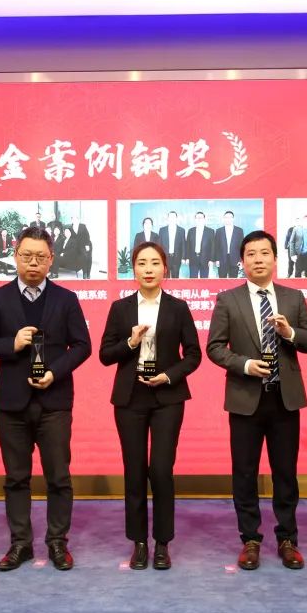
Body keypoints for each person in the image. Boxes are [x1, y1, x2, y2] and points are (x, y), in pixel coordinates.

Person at [0, 225, 91, 571]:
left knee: (59, 477)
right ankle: (20, 544)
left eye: (41, 256)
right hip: (12, 403)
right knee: (16, 477)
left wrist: (55, 371)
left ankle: (57, 543)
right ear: (15, 257)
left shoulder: (66, 299)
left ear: (51, 259)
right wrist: (11, 343)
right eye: (27, 255)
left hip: (54, 402)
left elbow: (82, 346)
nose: (33, 263)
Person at [206, 230, 307, 570]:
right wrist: (244, 364)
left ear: (275, 258)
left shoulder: (293, 298)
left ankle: (287, 539)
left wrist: (289, 333)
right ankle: (250, 539)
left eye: (264, 253)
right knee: (244, 473)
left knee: (286, 472)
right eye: (251, 254)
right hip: (245, 398)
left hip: (284, 399)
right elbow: (214, 347)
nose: (258, 259)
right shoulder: (228, 300)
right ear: (242, 261)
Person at [100, 242, 201, 570]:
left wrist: (169, 376)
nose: (148, 269)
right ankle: (139, 542)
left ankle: (162, 543)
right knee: (134, 471)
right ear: (133, 268)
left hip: (167, 398)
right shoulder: (120, 308)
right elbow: (105, 355)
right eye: (142, 262)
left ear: (164, 268)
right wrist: (130, 342)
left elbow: (194, 355)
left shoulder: (178, 308)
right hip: (130, 398)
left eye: (154, 263)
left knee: (160, 469)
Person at [214, 210, 244, 278]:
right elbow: (216, 246)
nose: (228, 219)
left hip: (235, 259)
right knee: (222, 279)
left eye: (230, 217)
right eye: (226, 217)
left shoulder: (239, 230)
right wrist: (217, 259)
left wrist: (240, 260)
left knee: (233, 279)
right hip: (221, 259)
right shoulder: (219, 231)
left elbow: (241, 246)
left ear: (233, 219)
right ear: (224, 219)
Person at [185, 211, 215, 278]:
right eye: (197, 218)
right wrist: (187, 258)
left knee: (204, 279)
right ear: (195, 219)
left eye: (201, 218)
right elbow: (188, 246)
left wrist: (211, 260)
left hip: (205, 259)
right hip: (193, 259)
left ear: (204, 219)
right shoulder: (191, 231)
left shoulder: (210, 231)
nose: (199, 219)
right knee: (193, 279)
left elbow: (213, 247)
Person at [158, 210, 186, 279]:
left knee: (175, 277)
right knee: (165, 278)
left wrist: (183, 257)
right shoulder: (162, 230)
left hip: (177, 257)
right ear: (168, 218)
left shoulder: (181, 230)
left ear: (176, 218)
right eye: (170, 217)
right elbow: (159, 244)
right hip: (165, 257)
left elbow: (183, 245)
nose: (172, 219)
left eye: (173, 217)